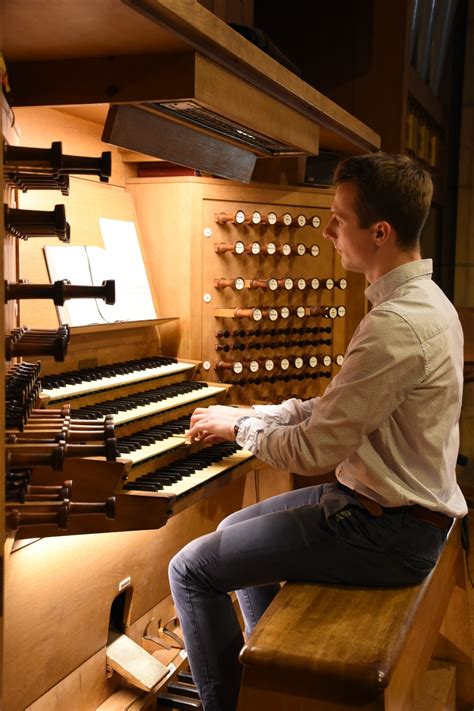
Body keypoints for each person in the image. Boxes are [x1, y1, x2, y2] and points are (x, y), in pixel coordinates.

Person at [168, 152, 468, 711]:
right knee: (234, 526)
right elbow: (334, 409)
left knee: (189, 569)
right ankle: (269, 684)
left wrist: (242, 430)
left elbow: (314, 448)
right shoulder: (420, 302)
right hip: (385, 512)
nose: (327, 228)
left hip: (384, 533)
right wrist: (247, 416)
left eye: (338, 218)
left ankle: (231, 704)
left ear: (379, 232)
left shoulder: (396, 325)